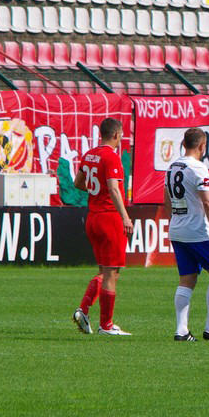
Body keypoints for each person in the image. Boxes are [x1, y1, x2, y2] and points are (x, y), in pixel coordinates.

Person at [164, 127, 209, 341]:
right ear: (202, 146)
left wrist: (175, 220)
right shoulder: (198, 168)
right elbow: (208, 201)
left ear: (184, 144)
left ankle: (181, 331)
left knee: (187, 278)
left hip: (177, 230)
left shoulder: (172, 166)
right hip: (198, 231)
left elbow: (166, 200)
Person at [72, 118, 133, 336]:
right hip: (109, 218)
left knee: (103, 271)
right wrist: (125, 216)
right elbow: (114, 189)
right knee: (112, 273)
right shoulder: (111, 156)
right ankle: (106, 325)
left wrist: (95, 192)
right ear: (116, 135)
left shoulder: (89, 154)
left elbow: (77, 182)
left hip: (93, 217)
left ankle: (84, 310)